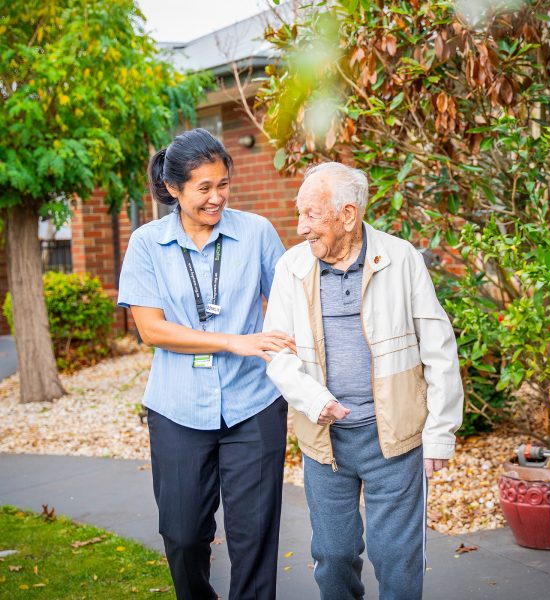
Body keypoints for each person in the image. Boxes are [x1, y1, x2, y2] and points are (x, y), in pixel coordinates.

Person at [263, 162, 464, 600]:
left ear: (348, 215)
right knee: (333, 556)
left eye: (312, 215)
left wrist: (439, 434)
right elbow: (276, 352)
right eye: (300, 214)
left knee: (397, 558)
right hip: (325, 440)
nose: (301, 228)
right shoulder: (291, 268)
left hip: (392, 438)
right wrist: (315, 401)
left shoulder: (401, 257)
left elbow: (438, 349)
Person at [118, 128, 295, 600]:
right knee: (182, 534)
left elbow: (287, 304)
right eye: (203, 188)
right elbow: (151, 329)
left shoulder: (256, 232)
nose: (216, 198)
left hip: (254, 405)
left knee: (254, 537)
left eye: (223, 185)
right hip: (177, 407)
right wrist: (233, 341)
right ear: (174, 189)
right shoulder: (146, 244)